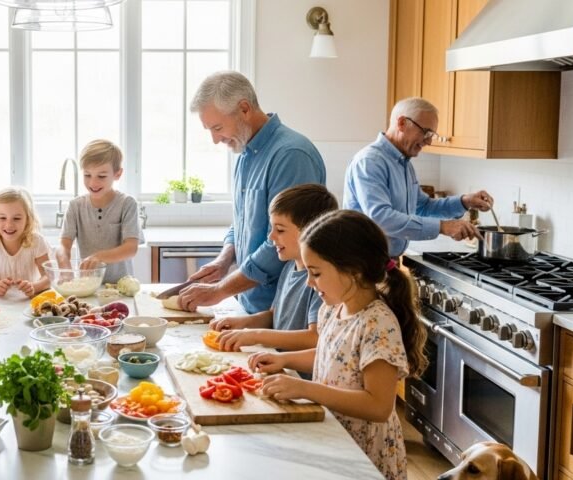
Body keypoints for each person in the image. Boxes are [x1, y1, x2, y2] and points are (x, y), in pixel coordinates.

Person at [248, 210, 427, 480]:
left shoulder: (377, 324)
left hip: (364, 454)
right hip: (336, 436)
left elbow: (378, 406)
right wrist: (285, 361)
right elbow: (332, 357)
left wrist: (306, 388)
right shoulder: (333, 308)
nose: (309, 283)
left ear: (353, 271)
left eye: (316, 273)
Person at [179, 71, 326, 314]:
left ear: (244, 109)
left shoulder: (291, 156)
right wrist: (224, 260)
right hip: (248, 304)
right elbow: (242, 221)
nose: (215, 140)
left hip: (284, 312)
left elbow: (283, 239)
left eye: (217, 127)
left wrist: (219, 291)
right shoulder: (244, 154)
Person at [343, 97, 493, 258]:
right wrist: (443, 227)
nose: (429, 141)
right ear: (401, 123)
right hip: (360, 265)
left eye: (432, 135)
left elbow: (423, 207)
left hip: (384, 263)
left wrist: (465, 201)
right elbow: (381, 218)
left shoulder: (404, 163)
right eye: (426, 132)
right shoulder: (370, 162)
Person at [212, 184, 337, 354]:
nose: (271, 237)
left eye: (280, 229)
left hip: (298, 376)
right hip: (280, 367)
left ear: (310, 231)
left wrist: (256, 335)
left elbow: (314, 337)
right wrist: (242, 323)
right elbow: (274, 316)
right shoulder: (288, 267)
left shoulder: (321, 279)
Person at [59, 139, 143, 283]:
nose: (93, 183)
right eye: (87, 175)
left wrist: (98, 257)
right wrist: (64, 266)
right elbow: (63, 246)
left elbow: (131, 248)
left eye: (101, 176)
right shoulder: (75, 206)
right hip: (88, 285)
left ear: (117, 174)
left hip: (121, 286)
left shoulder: (127, 204)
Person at [0, 187, 51, 297]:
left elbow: (48, 276)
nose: (9, 225)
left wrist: (34, 287)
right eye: (2, 218)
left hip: (27, 303)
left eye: (16, 218)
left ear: (28, 219)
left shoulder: (37, 241)